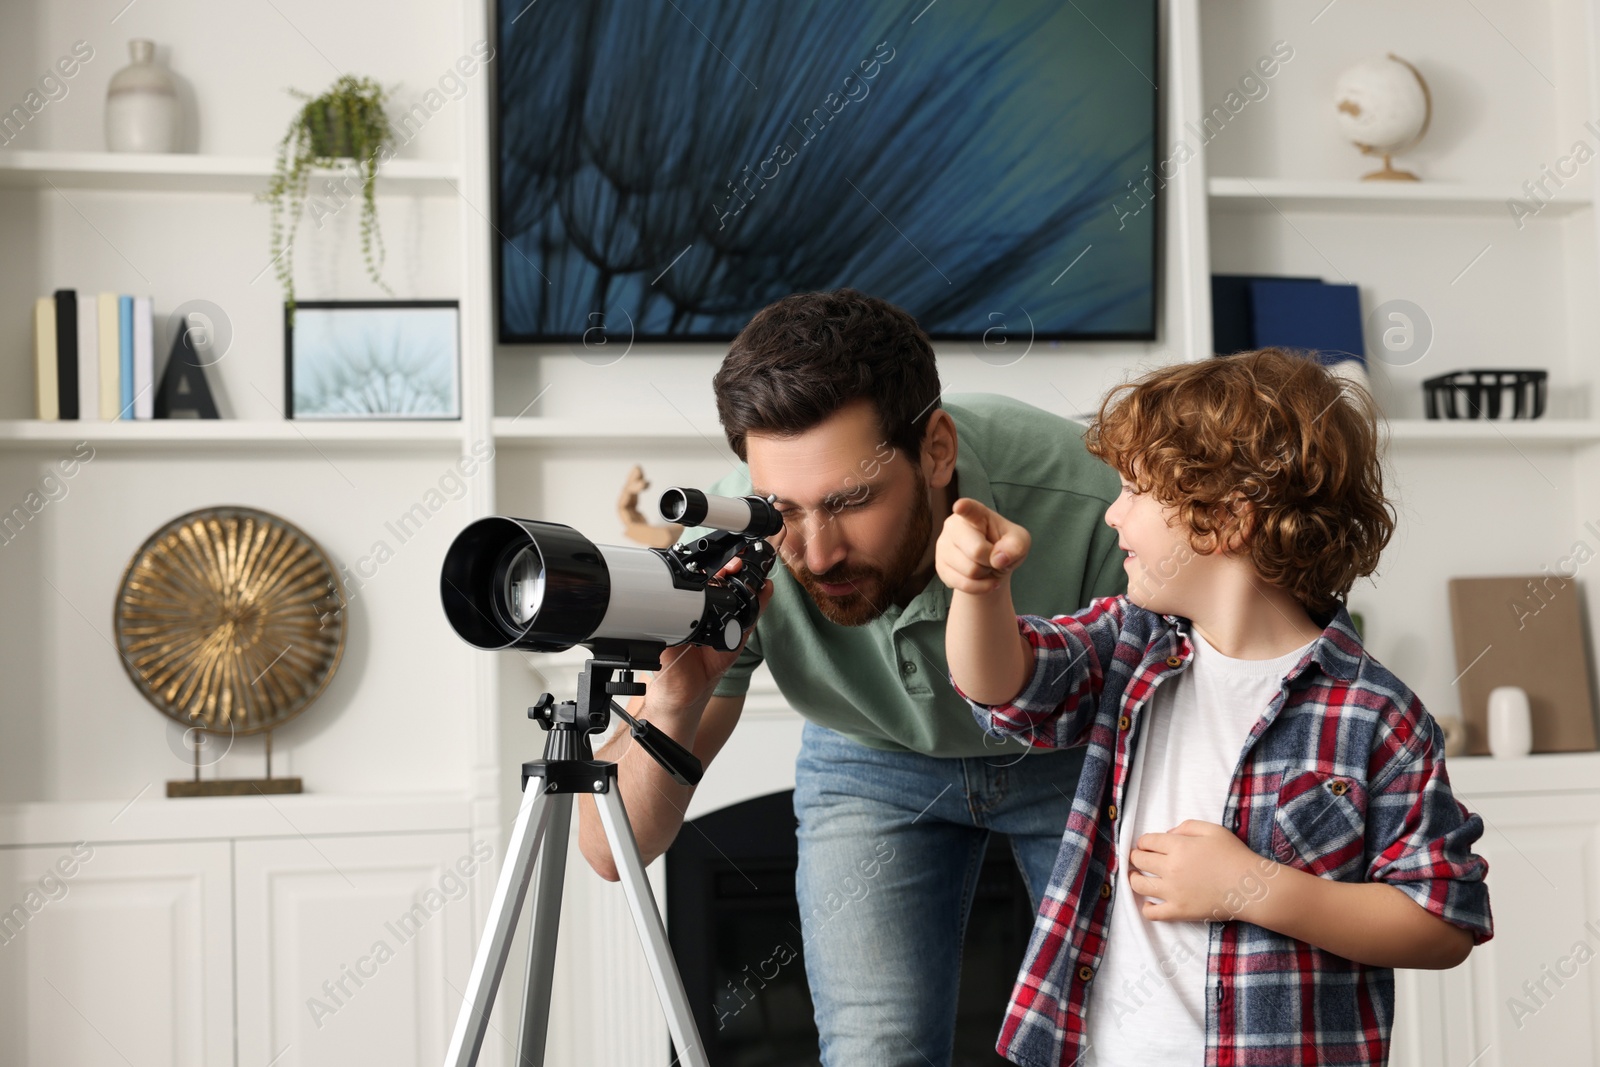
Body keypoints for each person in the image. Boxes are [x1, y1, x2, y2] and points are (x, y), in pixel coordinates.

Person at [574, 288, 1127, 1065]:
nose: (818, 550)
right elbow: (611, 850)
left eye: (852, 499)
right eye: (782, 506)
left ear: (937, 448)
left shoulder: (1095, 498)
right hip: (870, 760)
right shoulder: (733, 540)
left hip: (1072, 756)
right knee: (876, 1049)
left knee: (1115, 1036)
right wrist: (674, 697)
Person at [938, 348, 1494, 1067]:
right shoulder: (1129, 644)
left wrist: (1251, 887)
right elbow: (1002, 685)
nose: (1111, 514)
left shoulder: (1376, 716)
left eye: (1136, 491)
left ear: (1226, 520)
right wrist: (979, 591)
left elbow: (1440, 920)